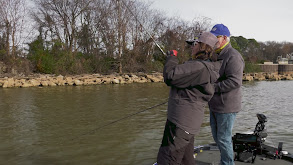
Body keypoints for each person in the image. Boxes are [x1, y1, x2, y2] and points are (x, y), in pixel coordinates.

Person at [157, 31, 222, 165]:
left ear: (203, 47)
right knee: (186, 160)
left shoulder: (199, 67)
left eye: (195, 44)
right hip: (189, 123)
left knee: (167, 159)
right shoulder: (205, 67)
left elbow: (170, 76)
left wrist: (171, 58)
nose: (192, 47)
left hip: (180, 123)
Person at [208, 24, 245, 165]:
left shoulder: (234, 56)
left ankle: (228, 163)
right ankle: (225, 160)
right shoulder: (214, 54)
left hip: (227, 106)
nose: (212, 40)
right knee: (218, 138)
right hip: (215, 105)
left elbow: (235, 82)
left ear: (224, 38)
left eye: (215, 37)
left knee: (223, 138)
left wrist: (212, 87)